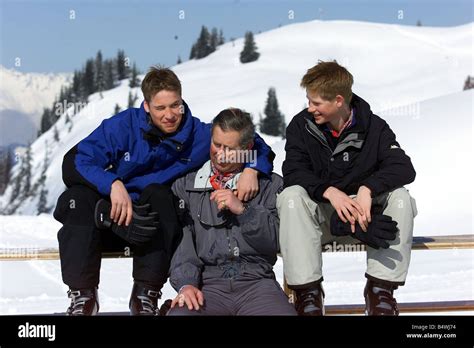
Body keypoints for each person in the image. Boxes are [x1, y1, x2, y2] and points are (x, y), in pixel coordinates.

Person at [53, 67, 274, 316]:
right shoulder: (123, 126)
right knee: (74, 199)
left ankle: (145, 295)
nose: (170, 115)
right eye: (161, 108)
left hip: (156, 227)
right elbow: (75, 161)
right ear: (146, 106)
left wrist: (252, 169)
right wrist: (113, 184)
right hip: (112, 217)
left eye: (175, 106)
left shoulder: (200, 135)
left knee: (161, 194)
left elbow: (253, 143)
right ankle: (84, 297)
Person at [277, 61, 417, 316]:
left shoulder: (374, 127)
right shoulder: (300, 126)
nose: (310, 108)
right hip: (319, 223)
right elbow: (293, 172)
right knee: (291, 196)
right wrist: (330, 192)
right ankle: (307, 293)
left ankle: (380, 291)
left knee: (401, 198)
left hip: (367, 219)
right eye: (308, 101)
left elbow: (404, 167)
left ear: (339, 100)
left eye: (316, 103)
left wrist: (367, 189)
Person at [167, 108, 296, 316]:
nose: (220, 154)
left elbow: (277, 241)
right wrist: (186, 284)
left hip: (258, 283)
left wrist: (244, 211)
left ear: (247, 148)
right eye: (216, 144)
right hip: (207, 286)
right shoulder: (186, 186)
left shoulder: (270, 185)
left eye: (229, 149)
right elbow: (182, 244)